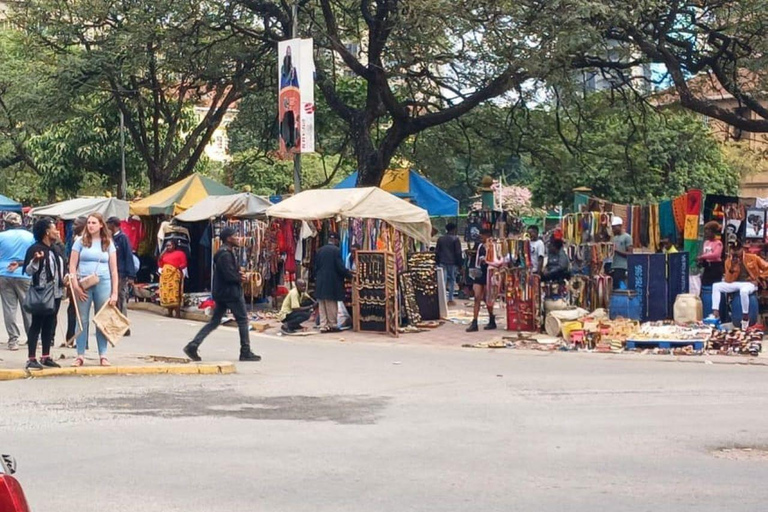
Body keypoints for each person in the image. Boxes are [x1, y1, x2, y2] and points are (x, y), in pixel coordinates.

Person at [183, 228, 261, 362]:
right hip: (230, 293)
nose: (238, 238)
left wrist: (237, 274)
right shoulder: (225, 254)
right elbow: (229, 275)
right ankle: (245, 351)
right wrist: (241, 278)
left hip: (221, 292)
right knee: (242, 320)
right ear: (228, 238)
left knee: (214, 321)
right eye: (235, 236)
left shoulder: (224, 253)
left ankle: (193, 345)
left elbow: (228, 272)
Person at [69, 213, 120, 367]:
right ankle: (80, 354)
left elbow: (114, 270)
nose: (90, 225)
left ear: (101, 225)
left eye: (93, 223)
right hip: (84, 283)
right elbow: (72, 265)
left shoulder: (108, 243)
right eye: (89, 223)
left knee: (102, 318)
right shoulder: (80, 242)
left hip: (103, 281)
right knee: (82, 319)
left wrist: (115, 292)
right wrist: (75, 285)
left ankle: (103, 354)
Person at [21, 218, 65, 370]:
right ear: (47, 232)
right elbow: (27, 271)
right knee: (36, 324)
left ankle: (46, 356)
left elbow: (60, 269)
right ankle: (31, 358)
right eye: (54, 229)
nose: (57, 231)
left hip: (56, 293)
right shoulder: (35, 249)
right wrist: (35, 262)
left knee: (50, 324)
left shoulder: (56, 249)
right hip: (41, 292)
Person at [708, 238, 768, 330]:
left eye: (737, 249)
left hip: (749, 283)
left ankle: (745, 317)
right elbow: (728, 280)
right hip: (735, 284)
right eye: (733, 249)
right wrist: (732, 267)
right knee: (716, 286)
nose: (735, 252)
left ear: (742, 249)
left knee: (743, 292)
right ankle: (715, 312)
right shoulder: (729, 261)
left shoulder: (752, 257)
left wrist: (759, 278)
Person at [0, 212, 34, 351]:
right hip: (24, 273)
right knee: (28, 308)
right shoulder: (30, 237)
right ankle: (32, 338)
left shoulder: (1, 236)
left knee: (9, 308)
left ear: (7, 224)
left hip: (4, 273)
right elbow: (34, 254)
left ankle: (13, 340)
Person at [314, 233, 352, 333]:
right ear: (336, 241)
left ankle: (323, 325)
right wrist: (349, 275)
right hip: (331, 282)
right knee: (331, 303)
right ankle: (333, 325)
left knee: (322, 303)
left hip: (320, 280)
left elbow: (316, 266)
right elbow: (340, 267)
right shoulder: (336, 251)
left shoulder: (320, 250)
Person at [107, 217, 137, 334]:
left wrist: (131, 276)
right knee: (112, 300)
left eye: (108, 224)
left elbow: (128, 256)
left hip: (121, 273)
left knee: (120, 298)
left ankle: (124, 327)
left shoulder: (123, 238)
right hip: (111, 272)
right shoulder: (111, 238)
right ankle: (114, 325)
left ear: (113, 225)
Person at [467, 228, 497, 332]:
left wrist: (488, 261)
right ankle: (474, 322)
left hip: (489, 273)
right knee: (477, 297)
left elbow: (497, 260)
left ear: (488, 236)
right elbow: (476, 261)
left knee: (487, 298)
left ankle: (491, 318)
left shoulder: (494, 246)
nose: (481, 237)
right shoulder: (480, 246)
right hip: (480, 274)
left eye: (483, 235)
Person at [65, 216, 87, 346]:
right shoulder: (75, 238)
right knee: (73, 310)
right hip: (75, 277)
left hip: (79, 279)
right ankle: (71, 338)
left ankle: (78, 340)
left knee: (77, 310)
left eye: (77, 223)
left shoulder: (81, 240)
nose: (74, 225)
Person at [157, 239, 188, 318]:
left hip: (174, 276)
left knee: (175, 294)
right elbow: (160, 262)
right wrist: (163, 252)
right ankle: (169, 312)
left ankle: (177, 313)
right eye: (167, 245)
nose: (168, 247)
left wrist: (176, 269)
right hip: (165, 277)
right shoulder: (164, 254)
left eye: (170, 245)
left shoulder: (180, 253)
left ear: (174, 246)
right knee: (166, 294)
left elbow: (184, 263)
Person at [435, 223, 463, 306]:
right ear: (454, 229)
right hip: (452, 263)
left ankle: (442, 300)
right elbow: (458, 253)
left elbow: (437, 252)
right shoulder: (455, 239)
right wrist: (460, 265)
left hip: (442, 262)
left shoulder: (440, 239)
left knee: (443, 281)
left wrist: (437, 262)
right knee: (451, 280)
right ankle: (450, 299)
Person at [698, 221, 724, 287]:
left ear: (713, 232)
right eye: (705, 233)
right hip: (707, 267)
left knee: (715, 286)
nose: (706, 234)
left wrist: (703, 257)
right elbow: (705, 254)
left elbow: (716, 255)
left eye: (708, 233)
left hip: (715, 268)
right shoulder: (706, 242)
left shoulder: (718, 243)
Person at [610, 217, 633, 289]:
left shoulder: (627, 237)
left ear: (620, 226)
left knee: (618, 286)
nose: (613, 230)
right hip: (613, 265)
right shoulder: (614, 238)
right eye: (612, 228)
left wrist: (616, 250)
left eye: (614, 227)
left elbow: (630, 253)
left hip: (622, 266)